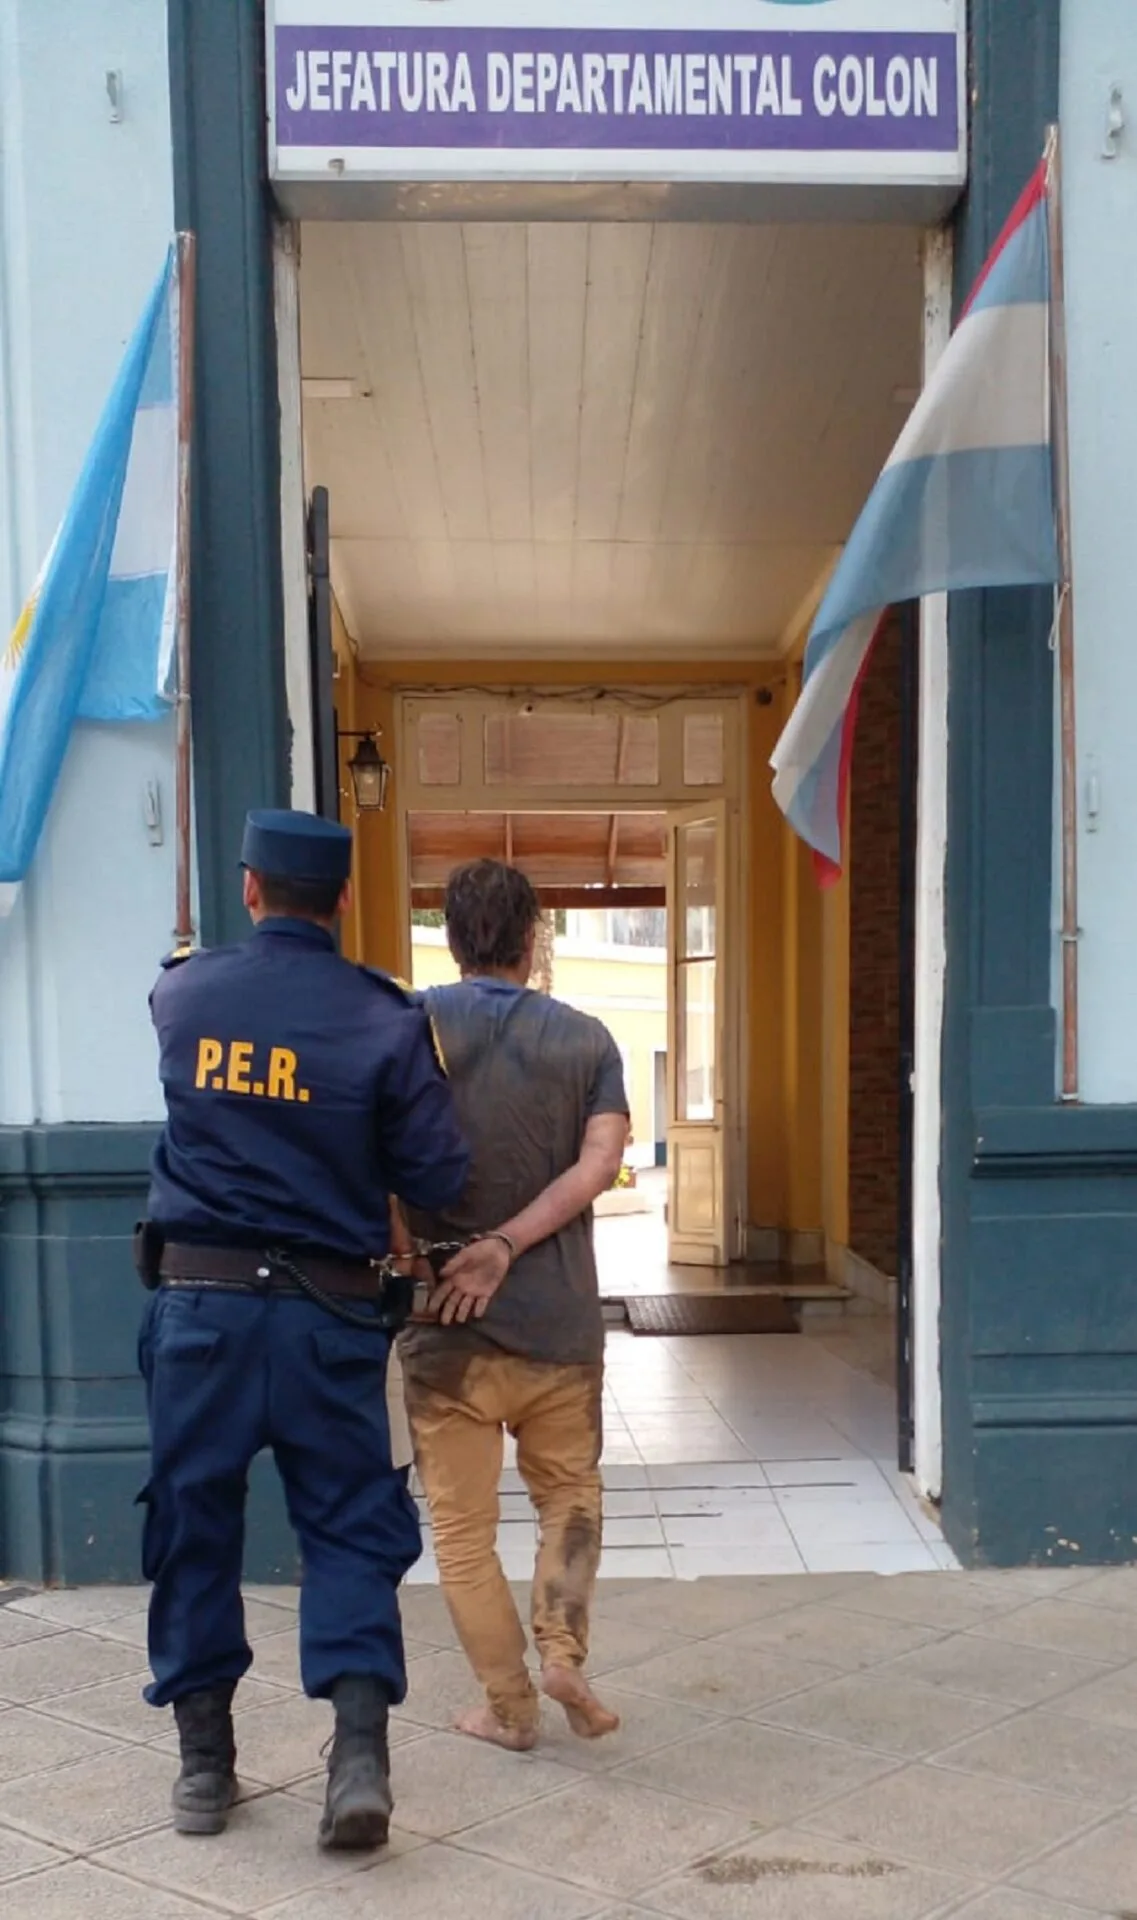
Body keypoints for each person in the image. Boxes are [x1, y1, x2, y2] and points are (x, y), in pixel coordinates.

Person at [138, 809, 469, 1849]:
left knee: (194, 1527)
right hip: (330, 1318)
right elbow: (439, 1173)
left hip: (202, 1315)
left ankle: (204, 1768)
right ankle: (358, 1759)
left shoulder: (183, 993)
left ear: (249, 889)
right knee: (350, 1528)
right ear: (342, 901)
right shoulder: (383, 1018)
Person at [398, 859, 629, 1751]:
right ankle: (562, 1651)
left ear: (451, 938)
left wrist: (418, 1260)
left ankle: (509, 1708)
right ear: (533, 940)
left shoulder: (406, 1028)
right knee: (569, 1496)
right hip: (558, 1326)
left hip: (444, 1332)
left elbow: (369, 1161)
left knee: (462, 1532)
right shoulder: (587, 1041)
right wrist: (510, 1244)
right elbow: (600, 1164)